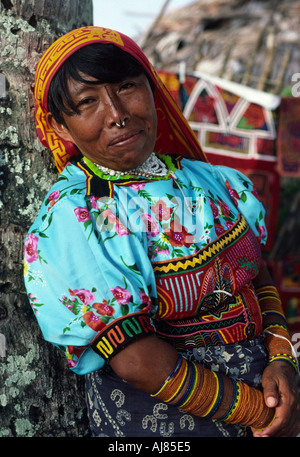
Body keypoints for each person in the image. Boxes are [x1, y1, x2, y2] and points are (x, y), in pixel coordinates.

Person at [24, 26, 299, 437]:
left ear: (153, 91)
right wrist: (260, 414)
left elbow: (254, 272)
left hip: (268, 396)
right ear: (61, 127)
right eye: (87, 102)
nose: (117, 113)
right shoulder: (81, 215)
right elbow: (134, 359)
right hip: (164, 420)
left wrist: (281, 357)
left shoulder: (210, 180)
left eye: (127, 86)